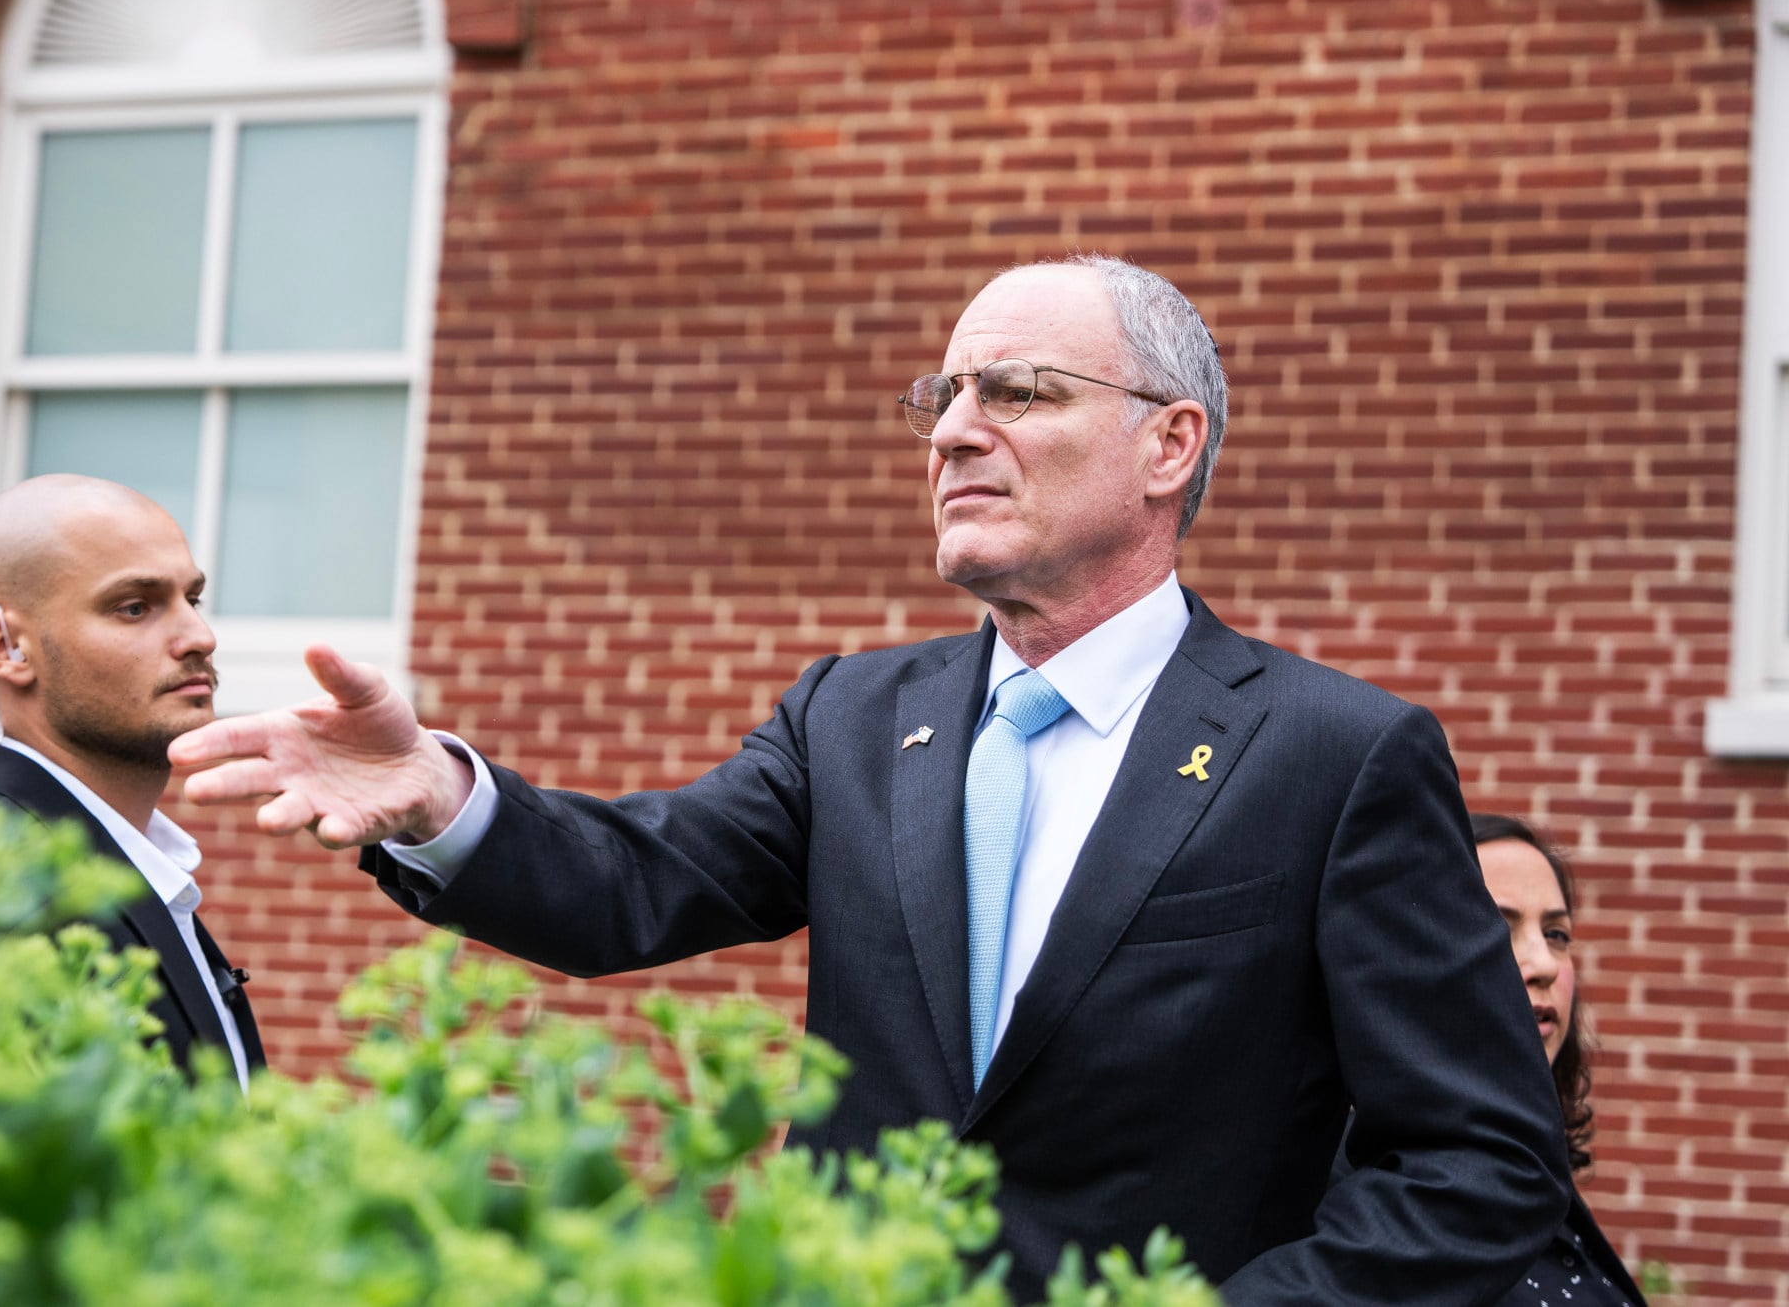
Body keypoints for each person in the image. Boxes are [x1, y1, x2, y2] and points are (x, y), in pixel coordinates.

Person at [172, 255, 1568, 1300]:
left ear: (1170, 443)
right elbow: (637, 883)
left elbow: (1481, 1166)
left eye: (1018, 391)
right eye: (943, 396)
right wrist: (442, 795)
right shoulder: (854, 712)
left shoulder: (1336, 752)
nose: (956, 429)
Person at [0, 474, 264, 1091]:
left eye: (192, 600)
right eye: (135, 607)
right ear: (8, 646)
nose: (200, 638)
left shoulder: (135, 864)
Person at [1473, 814, 1646, 1306]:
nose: (1545, 964)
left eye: (1557, 934)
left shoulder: (1534, 1180)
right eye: (1496, 927)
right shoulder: (1345, 1200)